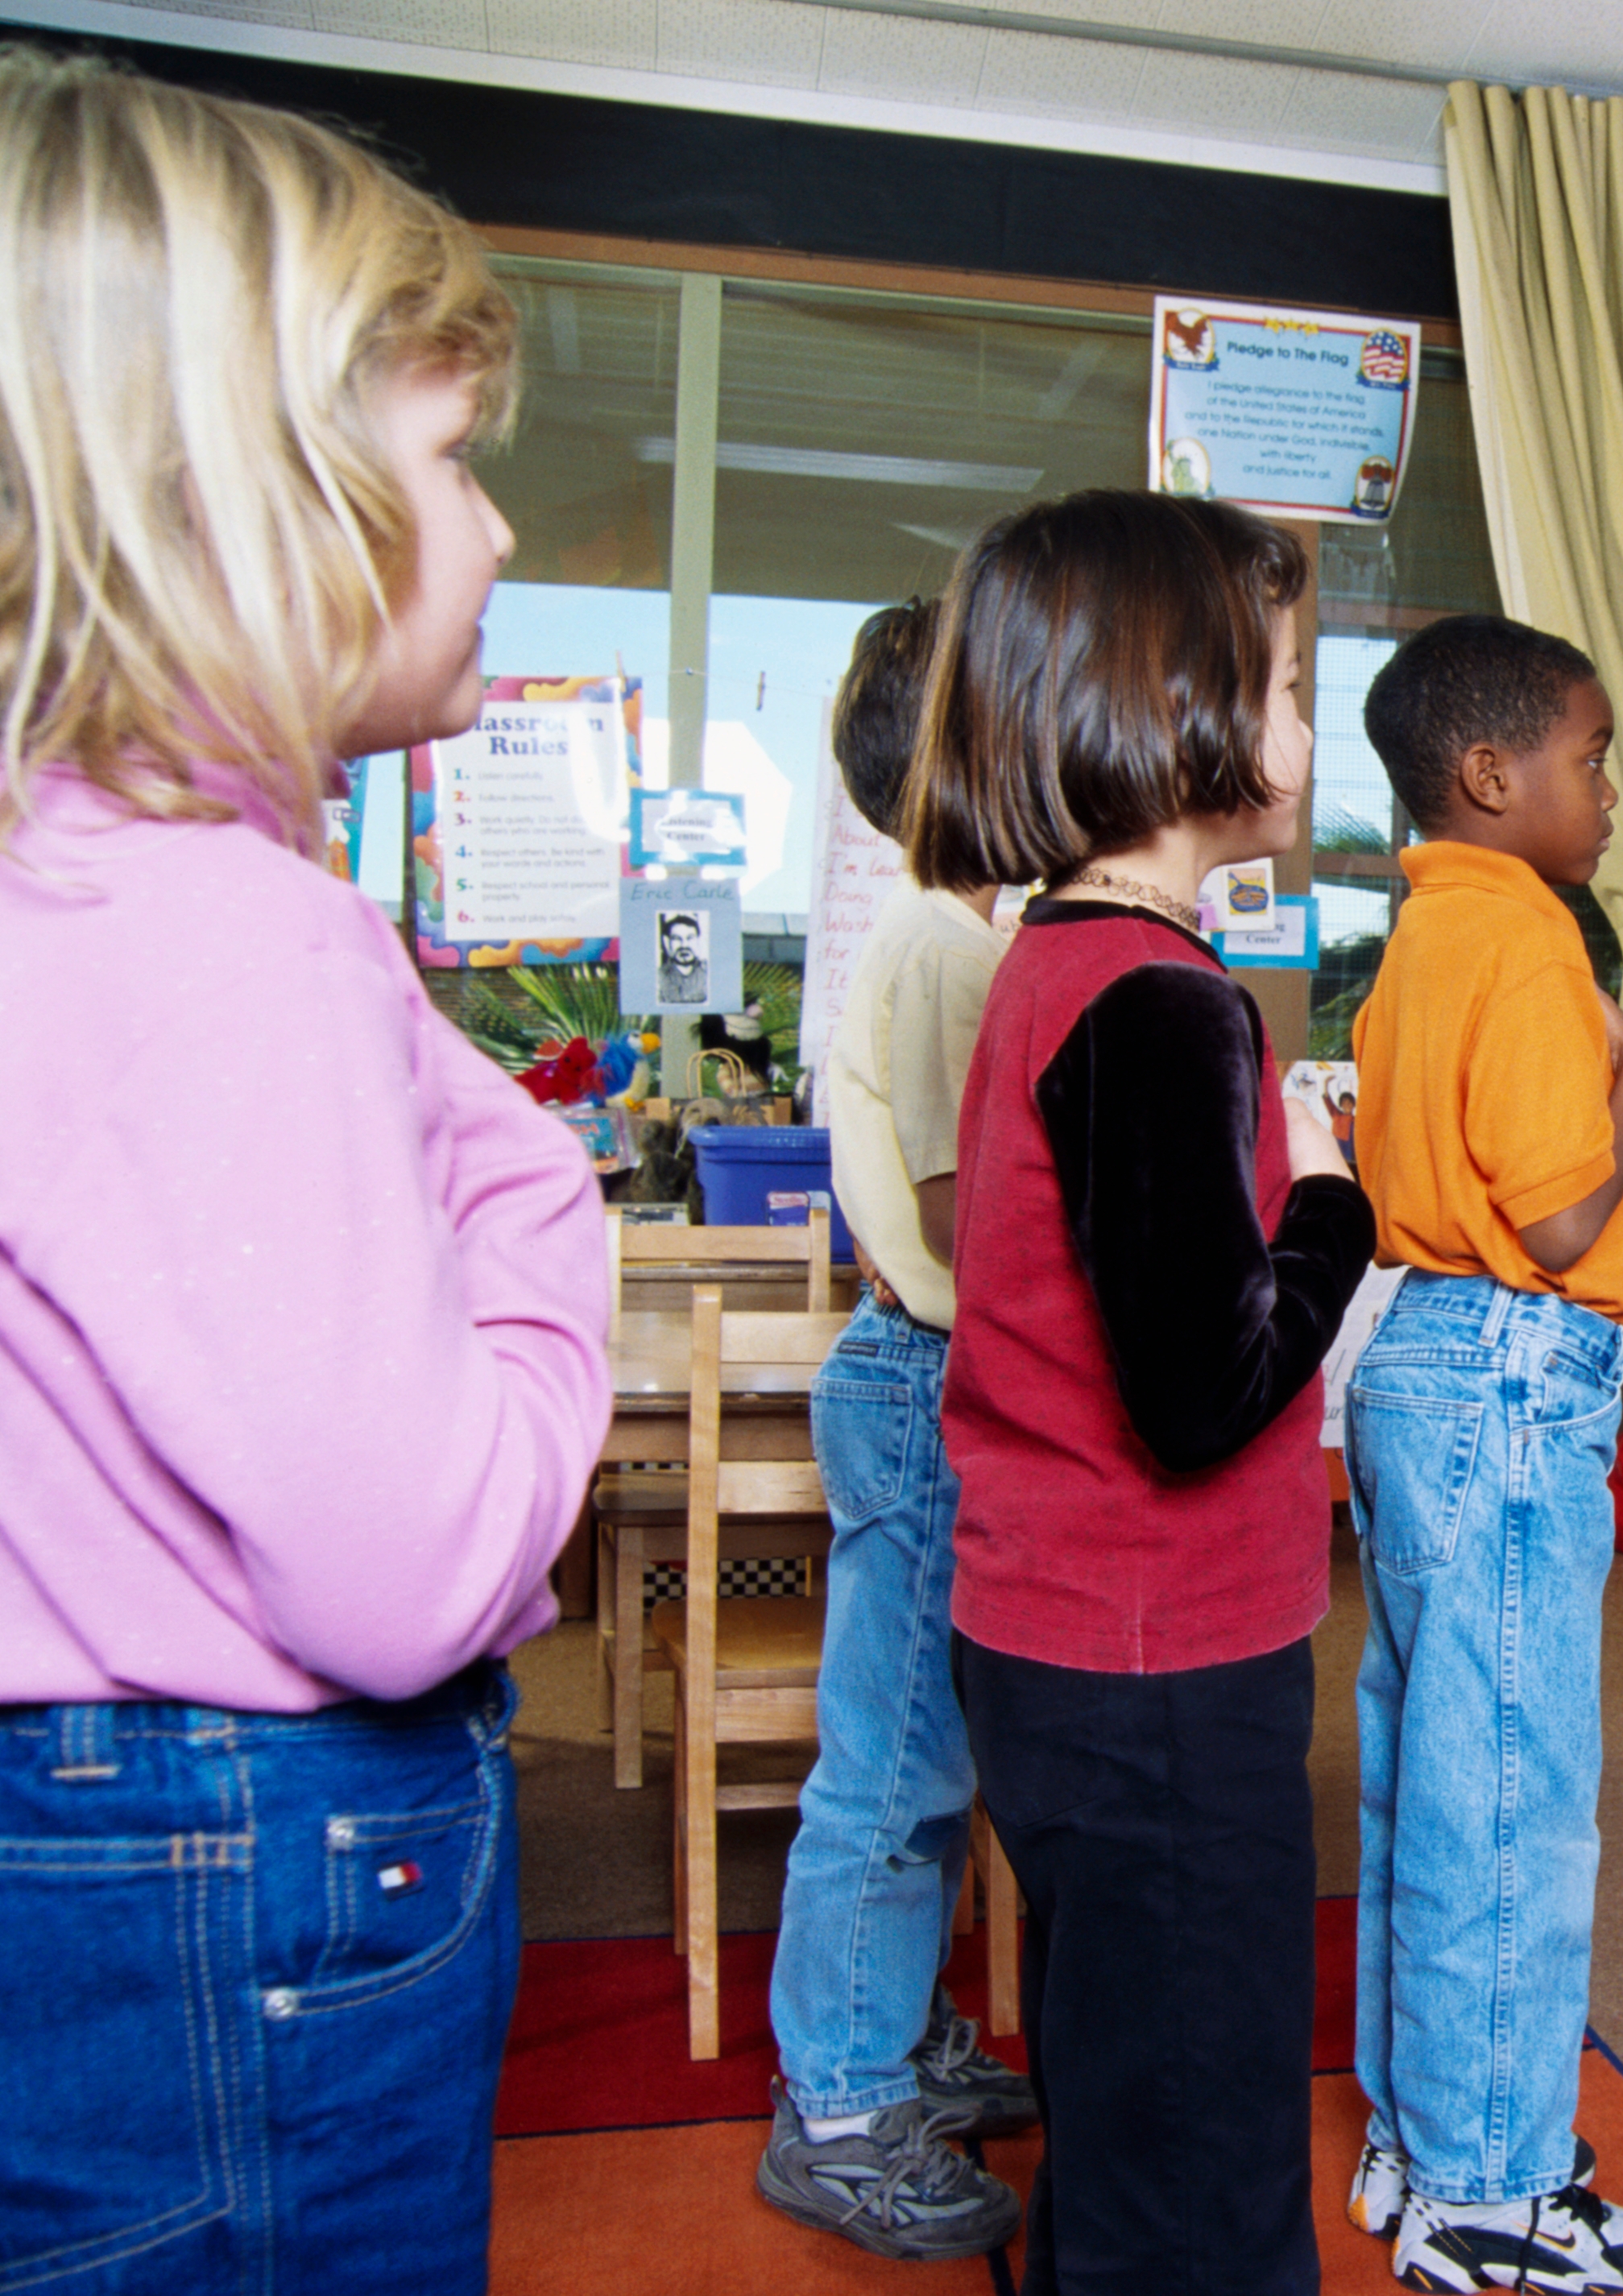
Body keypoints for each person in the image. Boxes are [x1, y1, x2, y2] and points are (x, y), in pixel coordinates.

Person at [0, 49, 611, 2290]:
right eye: (455, 463)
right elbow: (417, 1560)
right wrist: (546, 1234)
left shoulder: (61, 876)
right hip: (234, 1857)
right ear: (232, 502)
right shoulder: (217, 930)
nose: (503, 532)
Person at [909, 490, 1372, 2294]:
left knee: (1127, 2089)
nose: (1305, 724)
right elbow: (1206, 1388)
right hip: (1156, 1651)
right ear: (1170, 701)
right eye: (1279, 681)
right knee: (1201, 2142)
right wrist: (1333, 1203)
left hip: (1068, 1633)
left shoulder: (1060, 957)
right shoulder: (1160, 1001)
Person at [1344, 614, 1623, 2294]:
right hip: (1512, 1363)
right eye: (1592, 754)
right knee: (1513, 1784)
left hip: (1417, 1357)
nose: (1608, 789)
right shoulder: (1533, 936)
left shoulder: (1418, 937)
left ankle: (1422, 2140)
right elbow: (1559, 1212)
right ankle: (1492, 2191)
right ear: (1493, 776)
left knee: (1425, 1768)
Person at [753, 598, 1034, 2261]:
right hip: (929, 1377)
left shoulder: (962, 934)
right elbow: (962, 1207)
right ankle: (843, 2095)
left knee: (929, 1749)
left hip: (931, 1373)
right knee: (894, 1764)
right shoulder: (946, 944)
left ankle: (886, 2030)